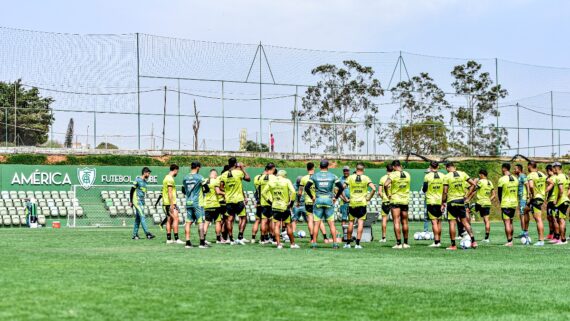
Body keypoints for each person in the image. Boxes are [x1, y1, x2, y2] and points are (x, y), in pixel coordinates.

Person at [304, 159, 346, 249]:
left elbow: (306, 187)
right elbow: (341, 187)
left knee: (316, 224)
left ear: (320, 167)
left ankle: (314, 244)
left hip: (318, 200)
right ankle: (335, 244)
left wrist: (312, 197)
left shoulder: (315, 176)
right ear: (328, 166)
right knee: (331, 224)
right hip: (328, 200)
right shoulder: (333, 176)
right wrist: (336, 197)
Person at [441, 162, 477, 250]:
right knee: (465, 222)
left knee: (452, 222)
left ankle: (453, 245)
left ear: (447, 168)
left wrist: (443, 202)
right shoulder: (463, 174)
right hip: (461, 201)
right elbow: (474, 184)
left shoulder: (447, 176)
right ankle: (473, 241)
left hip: (451, 201)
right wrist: (467, 196)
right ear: (455, 167)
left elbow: (445, 191)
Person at [263, 170, 299, 249]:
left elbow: (263, 193)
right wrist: (291, 203)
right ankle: (292, 244)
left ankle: (278, 244)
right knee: (288, 226)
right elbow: (293, 192)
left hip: (275, 206)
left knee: (276, 226)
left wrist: (270, 202)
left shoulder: (271, 181)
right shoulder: (286, 181)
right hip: (285, 206)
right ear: (284, 175)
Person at [219, 157, 251, 245]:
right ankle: (240, 236)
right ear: (235, 163)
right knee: (243, 218)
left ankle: (231, 238)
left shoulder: (224, 174)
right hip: (239, 200)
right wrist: (243, 169)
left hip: (229, 200)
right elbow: (248, 179)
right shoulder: (239, 173)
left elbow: (221, 187)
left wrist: (228, 191)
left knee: (229, 219)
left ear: (228, 164)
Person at [343, 163, 376, 249]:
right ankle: (357, 244)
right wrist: (369, 198)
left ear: (356, 169)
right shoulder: (366, 178)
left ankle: (348, 244)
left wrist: (344, 198)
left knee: (351, 222)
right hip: (362, 203)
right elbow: (374, 188)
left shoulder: (350, 177)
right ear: (363, 170)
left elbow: (341, 187)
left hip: (352, 203)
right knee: (360, 223)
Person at [298, 162, 328, 243]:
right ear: (314, 168)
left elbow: (300, 192)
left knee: (310, 220)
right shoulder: (318, 177)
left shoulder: (303, 178)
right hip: (318, 201)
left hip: (308, 202)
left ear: (307, 169)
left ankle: (312, 239)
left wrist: (298, 201)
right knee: (320, 220)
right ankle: (325, 238)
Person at [384, 160, 411, 249]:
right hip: (405, 200)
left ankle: (398, 243)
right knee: (405, 222)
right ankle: (406, 243)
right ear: (401, 166)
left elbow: (385, 184)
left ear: (394, 167)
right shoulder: (407, 174)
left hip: (395, 200)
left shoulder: (393, 174)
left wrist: (388, 194)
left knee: (396, 221)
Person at [181, 162, 208, 249]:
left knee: (188, 222)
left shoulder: (185, 178)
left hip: (188, 202)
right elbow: (206, 188)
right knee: (200, 222)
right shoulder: (199, 177)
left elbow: (183, 190)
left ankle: (188, 242)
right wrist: (203, 191)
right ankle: (202, 243)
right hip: (197, 202)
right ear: (197, 167)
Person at [467, 169, 495, 243]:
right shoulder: (490, 182)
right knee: (487, 220)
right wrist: (488, 200)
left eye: (479, 174)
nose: (479, 176)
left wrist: (475, 182)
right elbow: (494, 195)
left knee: (466, 212)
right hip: (487, 203)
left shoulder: (480, 181)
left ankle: (467, 234)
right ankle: (486, 238)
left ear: (482, 174)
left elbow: (474, 190)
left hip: (479, 203)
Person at [525, 161, 548, 246]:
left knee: (538, 219)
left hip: (536, 198)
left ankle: (541, 240)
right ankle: (525, 231)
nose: (527, 168)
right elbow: (551, 182)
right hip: (540, 197)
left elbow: (531, 186)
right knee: (525, 210)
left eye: (528, 166)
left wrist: (532, 194)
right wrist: (544, 192)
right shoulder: (541, 174)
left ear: (530, 166)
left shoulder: (530, 175)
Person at [129, 167, 156, 240]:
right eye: (148, 173)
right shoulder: (137, 180)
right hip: (137, 201)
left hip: (141, 201)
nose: (149, 175)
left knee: (138, 219)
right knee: (142, 216)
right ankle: (148, 234)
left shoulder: (145, 182)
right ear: (144, 173)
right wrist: (131, 201)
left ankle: (134, 235)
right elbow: (131, 190)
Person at [422, 161, 444, 247]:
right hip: (440, 201)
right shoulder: (443, 176)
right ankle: (439, 241)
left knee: (434, 222)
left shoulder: (427, 176)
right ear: (438, 167)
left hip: (431, 201)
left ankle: (436, 242)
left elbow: (424, 189)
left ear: (430, 167)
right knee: (439, 222)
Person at [497, 163, 519, 246]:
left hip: (506, 203)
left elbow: (499, 193)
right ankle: (511, 239)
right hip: (514, 203)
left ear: (504, 169)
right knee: (511, 222)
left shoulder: (502, 179)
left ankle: (509, 241)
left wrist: (500, 202)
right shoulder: (515, 178)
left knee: (506, 222)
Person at [202, 168, 225, 244]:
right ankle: (218, 239)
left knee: (206, 222)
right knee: (218, 221)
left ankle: (203, 239)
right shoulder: (215, 181)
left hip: (206, 204)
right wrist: (226, 194)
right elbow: (218, 192)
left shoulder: (204, 180)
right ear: (215, 175)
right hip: (215, 204)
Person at [162, 164, 183, 244]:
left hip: (166, 203)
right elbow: (170, 192)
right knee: (176, 219)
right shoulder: (170, 179)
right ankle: (177, 239)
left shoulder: (165, 177)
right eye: (177, 171)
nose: (177, 172)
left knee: (169, 220)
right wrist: (171, 204)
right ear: (175, 170)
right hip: (170, 203)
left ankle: (169, 239)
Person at [256, 163, 276, 244]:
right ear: (273, 169)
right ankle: (273, 238)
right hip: (271, 202)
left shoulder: (261, 178)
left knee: (263, 221)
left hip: (263, 202)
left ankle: (262, 239)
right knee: (272, 221)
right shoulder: (274, 178)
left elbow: (259, 190)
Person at [553, 162, 569, 245]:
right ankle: (563, 238)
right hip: (565, 200)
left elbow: (561, 190)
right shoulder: (566, 176)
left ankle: (563, 240)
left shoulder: (559, 177)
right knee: (561, 220)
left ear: (556, 168)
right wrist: (566, 196)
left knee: (561, 220)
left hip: (561, 201)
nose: (553, 169)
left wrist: (557, 199)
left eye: (553, 168)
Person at [377, 164, 393, 243]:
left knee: (384, 220)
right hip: (394, 201)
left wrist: (383, 198)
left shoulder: (382, 178)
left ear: (386, 169)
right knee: (397, 220)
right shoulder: (395, 177)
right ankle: (399, 237)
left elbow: (379, 192)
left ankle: (383, 237)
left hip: (385, 201)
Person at [514, 164, 529, 238]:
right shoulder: (519, 177)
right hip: (520, 197)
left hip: (523, 196)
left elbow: (527, 184)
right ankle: (523, 231)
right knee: (521, 214)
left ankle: (524, 232)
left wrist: (528, 195)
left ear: (519, 169)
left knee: (522, 214)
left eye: (515, 169)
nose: (514, 170)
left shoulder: (522, 176)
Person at [545, 164, 560, 241]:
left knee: (554, 219)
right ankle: (551, 234)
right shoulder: (550, 177)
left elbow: (551, 186)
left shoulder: (554, 178)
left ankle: (557, 236)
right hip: (550, 200)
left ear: (548, 170)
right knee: (550, 218)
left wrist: (543, 192)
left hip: (553, 200)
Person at [339, 166, 351, 240]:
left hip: (353, 202)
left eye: (347, 171)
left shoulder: (353, 178)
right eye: (344, 171)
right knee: (344, 219)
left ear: (349, 171)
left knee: (351, 219)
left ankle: (351, 235)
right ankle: (344, 235)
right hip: (343, 202)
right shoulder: (340, 179)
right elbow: (337, 191)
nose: (346, 172)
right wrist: (345, 199)